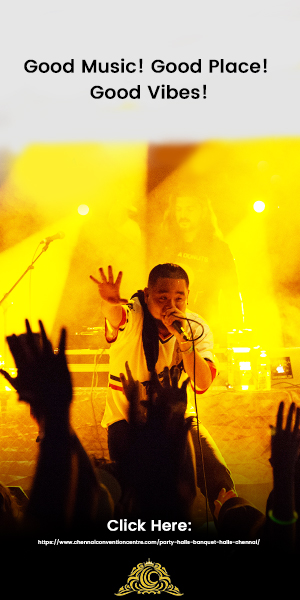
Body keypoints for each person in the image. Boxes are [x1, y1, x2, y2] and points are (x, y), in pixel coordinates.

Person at [90, 263, 237, 519]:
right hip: (127, 419)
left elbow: (202, 383)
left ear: (188, 297)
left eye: (179, 298)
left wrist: (184, 341)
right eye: (162, 298)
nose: (171, 305)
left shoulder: (195, 327)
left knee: (217, 478)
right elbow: (116, 316)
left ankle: (235, 521)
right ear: (147, 296)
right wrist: (109, 303)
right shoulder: (134, 313)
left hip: (177, 417)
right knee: (134, 492)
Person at [148, 191, 243, 347]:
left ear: (203, 212)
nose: (183, 214)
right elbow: (151, 291)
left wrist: (238, 333)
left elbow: (232, 293)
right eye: (179, 209)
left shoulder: (218, 249)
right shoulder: (164, 246)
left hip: (205, 331)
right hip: (166, 332)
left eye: (189, 209)